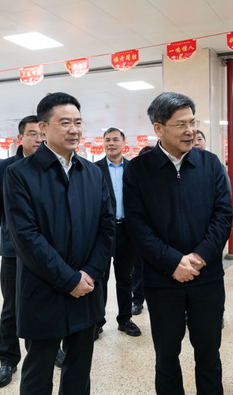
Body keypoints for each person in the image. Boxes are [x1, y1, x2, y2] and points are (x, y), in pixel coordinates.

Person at [4, 92, 114, 395]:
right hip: (43, 289)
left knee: (79, 370)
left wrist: (89, 273)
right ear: (43, 127)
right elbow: (26, 237)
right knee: (38, 373)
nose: (74, 130)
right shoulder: (19, 174)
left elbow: (106, 228)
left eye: (78, 122)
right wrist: (69, 279)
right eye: (65, 122)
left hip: (87, 289)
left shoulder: (92, 173)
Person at [124, 92, 232, 395]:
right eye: (181, 124)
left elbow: (223, 215)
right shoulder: (139, 169)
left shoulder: (210, 164)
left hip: (206, 278)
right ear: (159, 129)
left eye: (193, 122)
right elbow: (137, 225)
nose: (190, 131)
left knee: (209, 354)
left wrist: (200, 257)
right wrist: (173, 262)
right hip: (162, 281)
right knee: (167, 356)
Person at [0, 115, 65, 388]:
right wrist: (14, 232)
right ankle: (8, 359)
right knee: (12, 307)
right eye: (32, 134)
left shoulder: (53, 166)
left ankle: (48, 349)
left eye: (42, 134)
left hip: (47, 250)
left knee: (45, 303)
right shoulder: (6, 167)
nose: (39, 139)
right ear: (20, 138)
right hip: (14, 252)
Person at [94, 127, 141, 338]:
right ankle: (97, 321)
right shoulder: (94, 169)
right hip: (103, 232)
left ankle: (125, 319)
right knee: (100, 278)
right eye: (107, 140)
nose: (111, 143)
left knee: (125, 278)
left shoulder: (134, 169)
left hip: (126, 231)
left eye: (115, 139)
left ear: (123, 143)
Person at [130, 145, 154, 316]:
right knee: (137, 269)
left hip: (161, 235)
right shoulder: (135, 179)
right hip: (140, 233)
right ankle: (137, 300)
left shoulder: (165, 178)